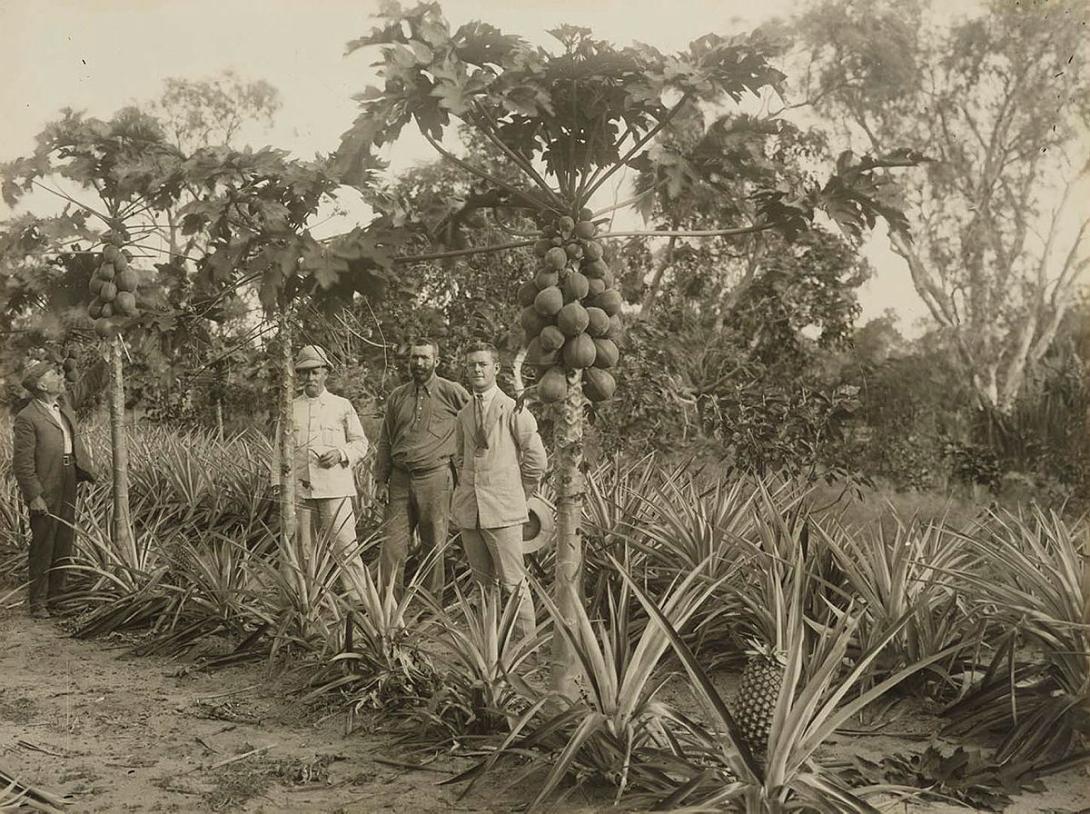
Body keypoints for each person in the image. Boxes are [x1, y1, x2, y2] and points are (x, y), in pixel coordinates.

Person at [452, 341, 547, 639]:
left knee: (513, 583)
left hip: (504, 511)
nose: (477, 369)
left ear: (495, 368)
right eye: (471, 365)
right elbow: (459, 458)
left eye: (482, 364)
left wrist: (519, 493)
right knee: (482, 586)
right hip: (471, 511)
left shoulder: (513, 408)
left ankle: (526, 652)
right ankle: (490, 648)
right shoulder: (464, 414)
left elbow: (536, 459)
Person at [271, 345, 371, 594]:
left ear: (326, 372)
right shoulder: (290, 407)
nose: (310, 378)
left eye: (315, 372)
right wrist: (277, 483)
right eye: (304, 373)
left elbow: (361, 443)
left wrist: (341, 454)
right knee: (305, 550)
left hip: (335, 488)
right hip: (301, 491)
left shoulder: (341, 405)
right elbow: (279, 449)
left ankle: (358, 600)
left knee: (346, 546)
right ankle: (309, 600)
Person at [375, 339, 469, 596]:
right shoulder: (398, 396)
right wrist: (381, 480)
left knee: (434, 546)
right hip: (400, 481)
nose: (418, 363)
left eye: (424, 358)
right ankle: (388, 609)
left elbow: (476, 423)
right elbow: (386, 439)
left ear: (436, 361)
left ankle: (430, 610)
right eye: (414, 358)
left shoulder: (452, 392)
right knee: (392, 546)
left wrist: (467, 470)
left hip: (436, 479)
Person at [11, 360, 97, 618]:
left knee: (64, 537)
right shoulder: (28, 417)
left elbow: (88, 384)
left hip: (69, 474)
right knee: (44, 539)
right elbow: (22, 462)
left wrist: (104, 355)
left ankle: (58, 596)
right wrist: (34, 495)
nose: (60, 378)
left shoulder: (64, 404)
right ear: (41, 385)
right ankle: (37, 602)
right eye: (53, 375)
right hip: (46, 479)